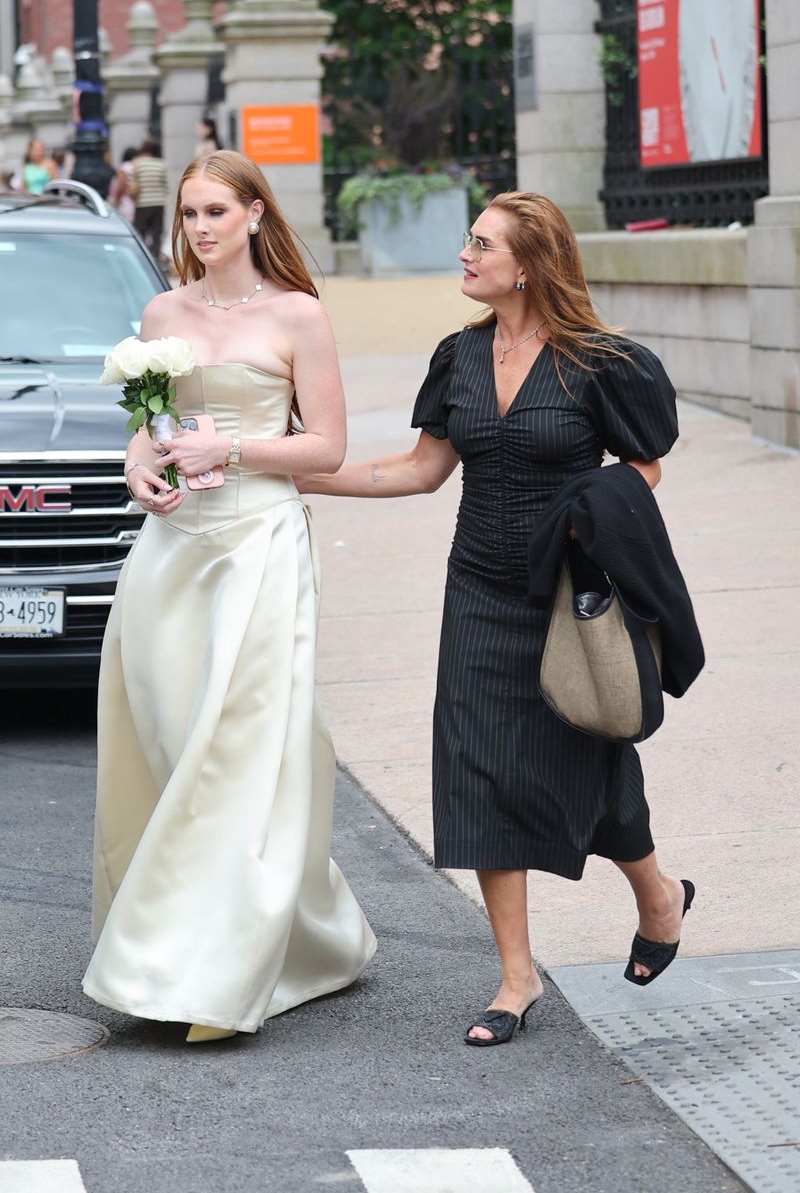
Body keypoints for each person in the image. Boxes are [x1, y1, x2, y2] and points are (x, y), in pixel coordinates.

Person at [296, 191, 696, 1046]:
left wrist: (593, 518)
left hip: (565, 595)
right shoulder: (460, 357)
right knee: (478, 768)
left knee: (590, 755)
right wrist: (300, 477)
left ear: (531, 263)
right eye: (470, 241)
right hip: (477, 587)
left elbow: (644, 469)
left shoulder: (598, 363)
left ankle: (658, 894)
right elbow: (418, 469)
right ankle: (517, 977)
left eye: (482, 244)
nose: (466, 255)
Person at [82, 150, 377, 1043]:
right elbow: (148, 436)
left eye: (215, 212)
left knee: (237, 747)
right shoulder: (161, 312)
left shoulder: (298, 314)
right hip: (173, 550)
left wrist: (235, 454)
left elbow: (324, 446)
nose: (200, 229)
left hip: (259, 544)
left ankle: (206, 971)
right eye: (188, 215)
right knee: (172, 741)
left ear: (254, 213)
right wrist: (142, 476)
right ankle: (297, 928)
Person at [131, 138, 169, 262]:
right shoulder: (161, 164)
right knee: (157, 232)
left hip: (142, 203)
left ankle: (141, 258)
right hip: (158, 203)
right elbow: (165, 185)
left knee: (140, 231)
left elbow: (133, 183)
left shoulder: (138, 163)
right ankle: (156, 258)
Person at [108, 146, 138, 222]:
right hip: (137, 202)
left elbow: (121, 187)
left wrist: (116, 201)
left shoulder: (124, 168)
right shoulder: (137, 166)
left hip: (125, 203)